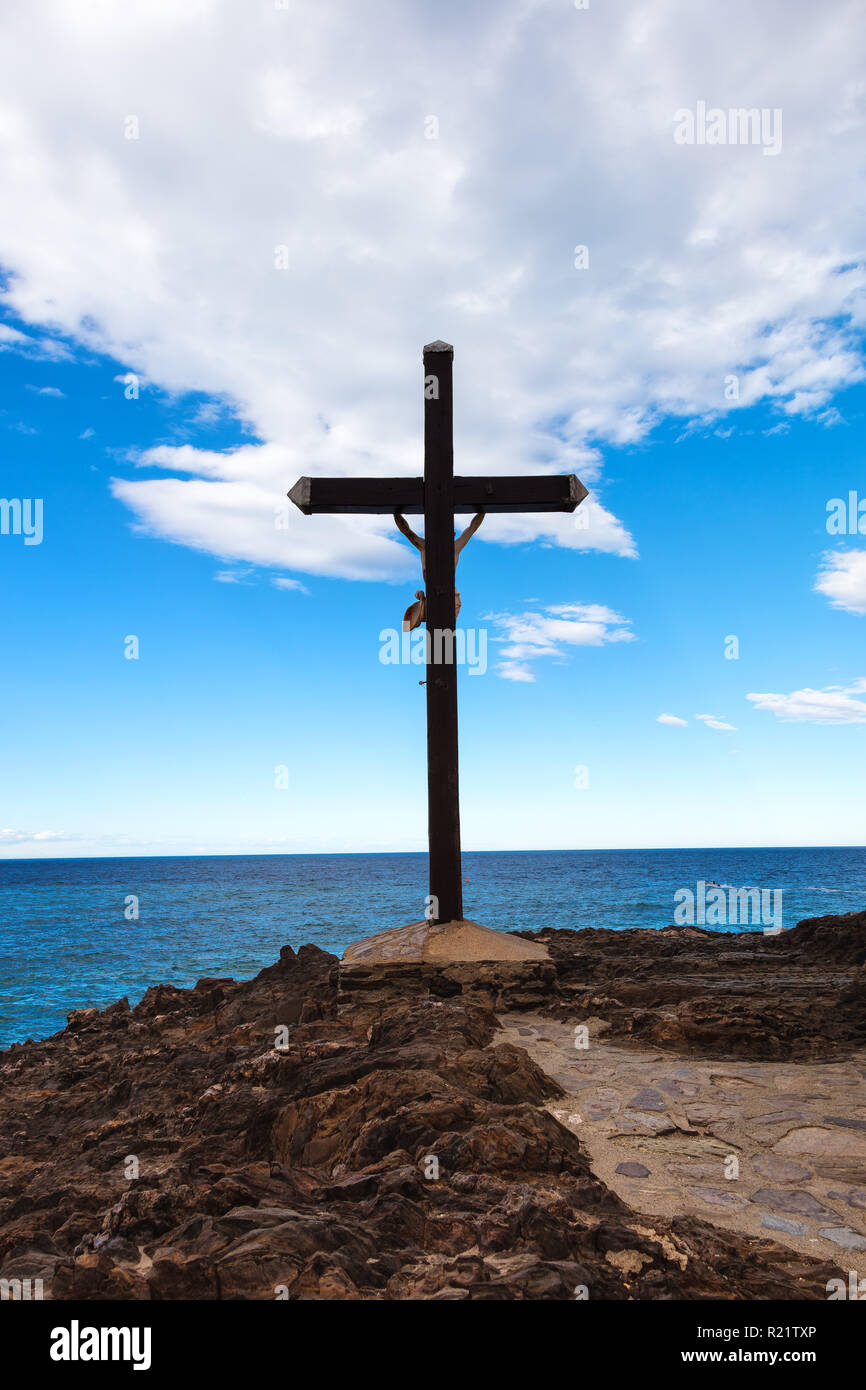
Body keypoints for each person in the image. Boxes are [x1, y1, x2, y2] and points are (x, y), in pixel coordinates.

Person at [394, 510, 485, 631]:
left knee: (445, 633)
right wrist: (395, 513)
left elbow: (472, 527)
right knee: (439, 634)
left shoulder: (454, 548)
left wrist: (483, 510)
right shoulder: (425, 546)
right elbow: (407, 531)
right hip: (435, 596)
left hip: (450, 596)